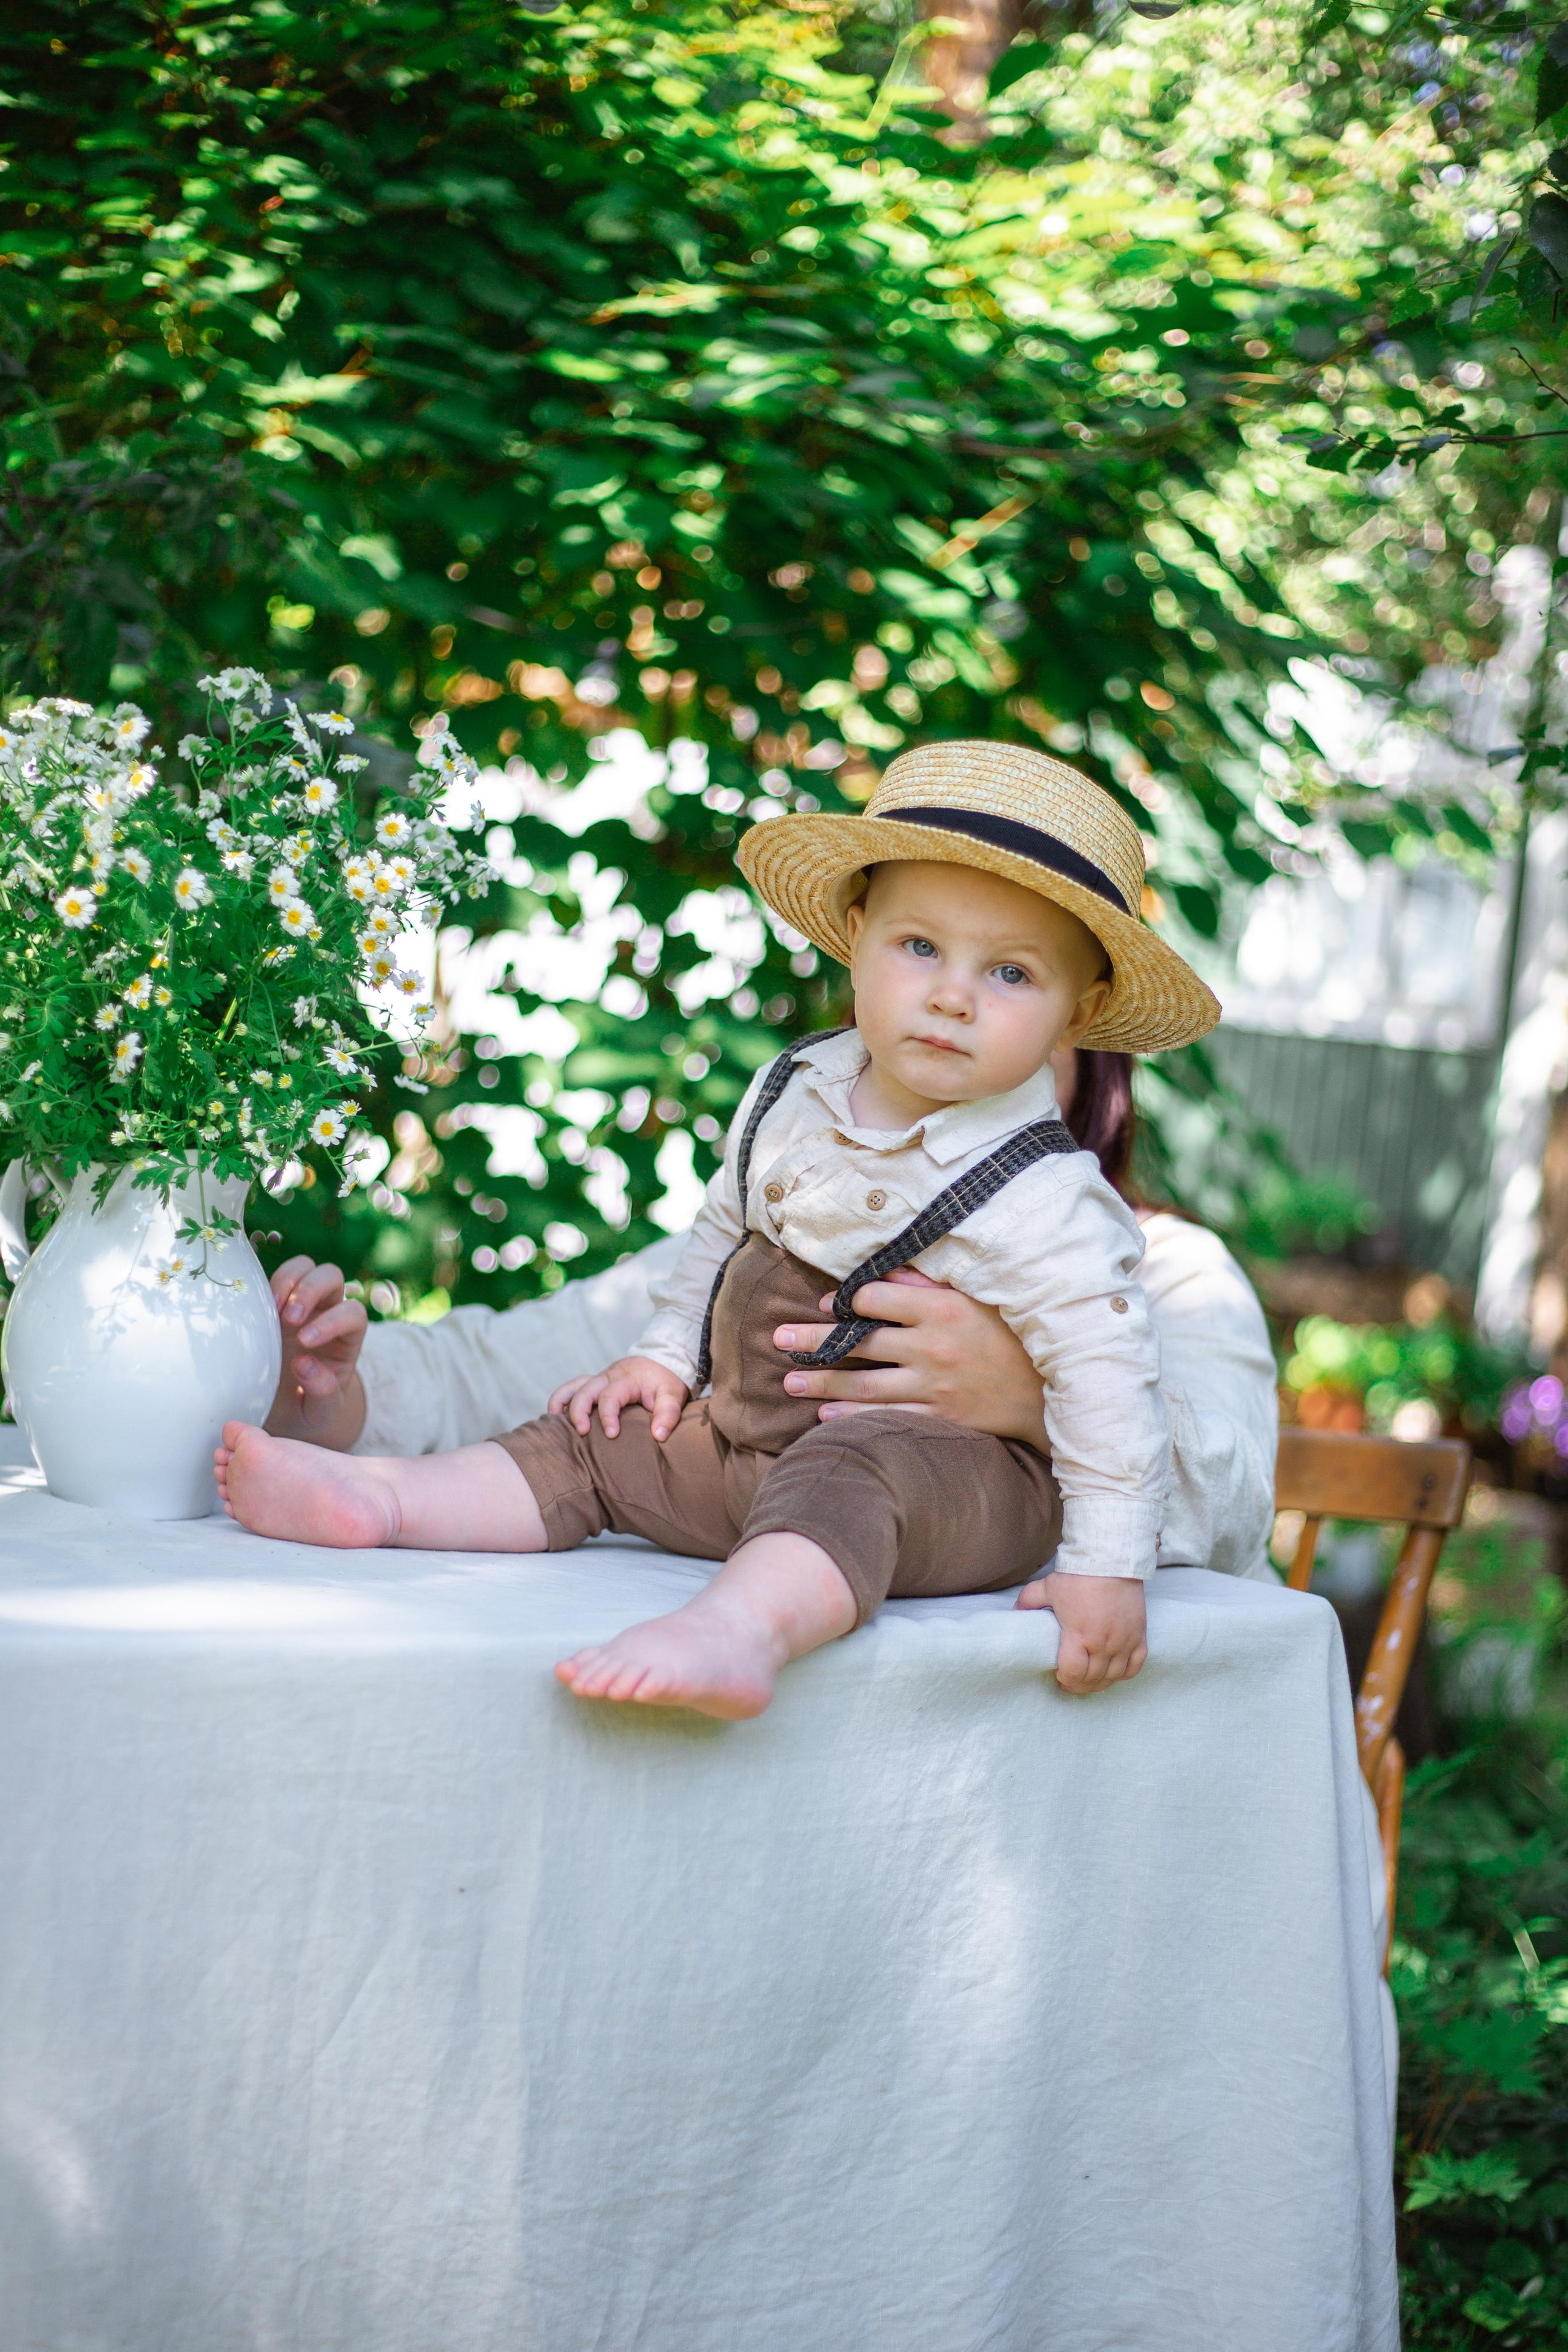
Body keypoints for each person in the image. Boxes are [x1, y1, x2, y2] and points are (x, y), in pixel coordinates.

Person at [216, 744, 1226, 1719]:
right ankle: (385, 1503)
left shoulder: (1052, 1199)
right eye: (921, 947)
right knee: (601, 1430)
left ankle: (738, 1632)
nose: (954, 995)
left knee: (856, 1471)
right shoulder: (795, 1092)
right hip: (749, 1446)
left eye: (1012, 974)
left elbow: (1107, 1379)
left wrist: (1103, 1563)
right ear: (857, 933)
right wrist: (660, 1360)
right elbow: (717, 1244)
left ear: (1080, 1013)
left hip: (943, 1487)